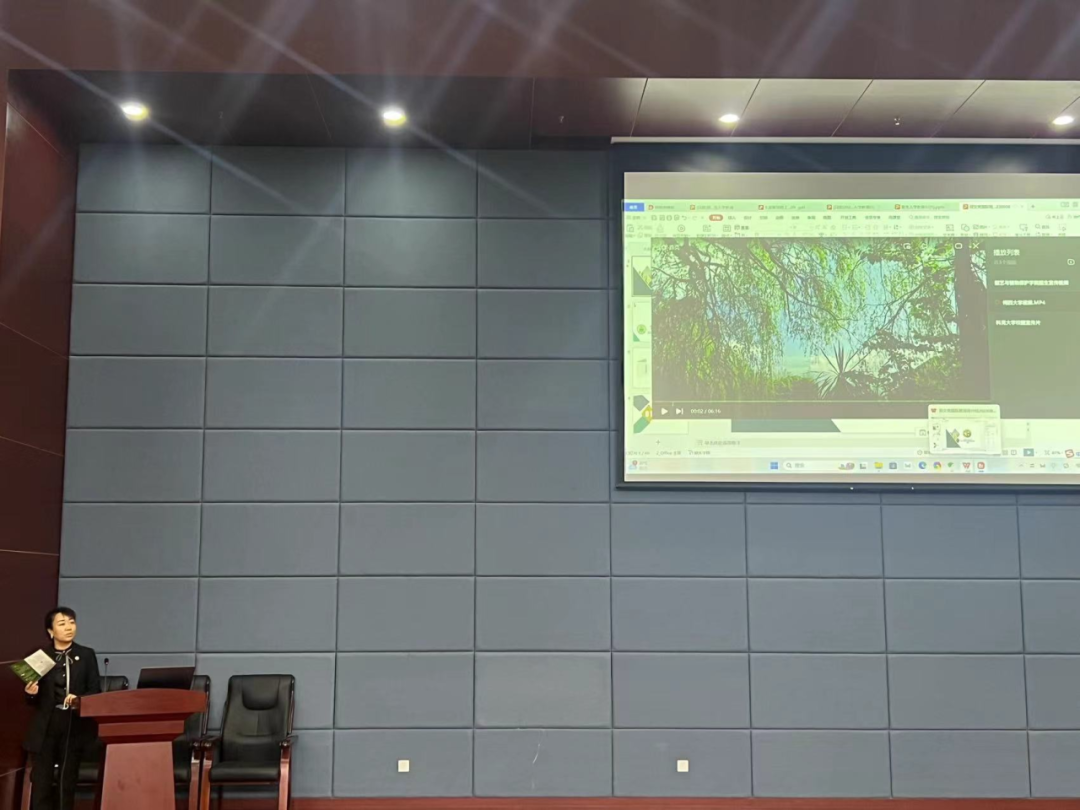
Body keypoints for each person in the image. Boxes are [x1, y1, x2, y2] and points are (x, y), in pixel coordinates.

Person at [23, 607, 100, 810]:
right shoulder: (40, 657)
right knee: (41, 780)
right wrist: (31, 692)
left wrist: (79, 700)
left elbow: (95, 691)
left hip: (74, 724)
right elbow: (31, 701)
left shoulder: (86, 655)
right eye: (62, 623)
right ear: (50, 631)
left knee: (67, 780)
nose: (69, 628)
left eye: (72, 622)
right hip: (46, 725)